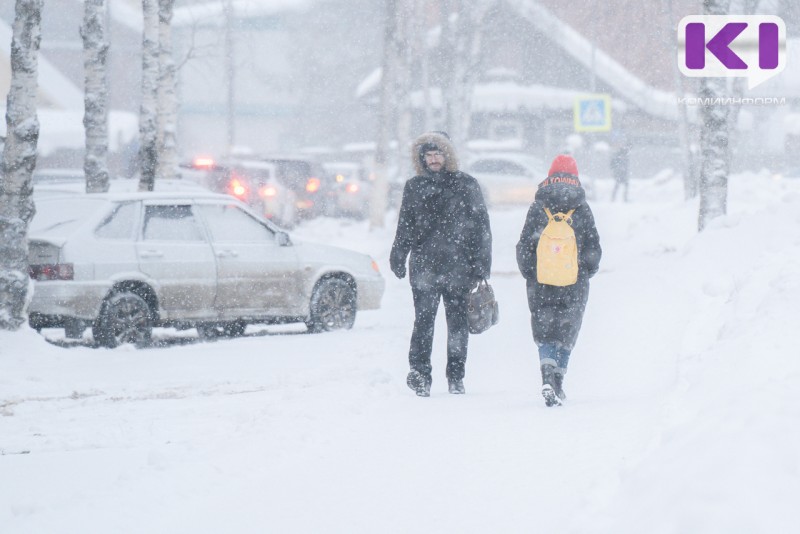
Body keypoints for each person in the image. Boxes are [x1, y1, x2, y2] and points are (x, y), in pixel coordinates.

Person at [390, 131, 492, 397]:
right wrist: (398, 254)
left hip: (460, 267)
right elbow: (406, 225)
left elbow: (481, 228)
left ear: (448, 155)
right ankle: (420, 375)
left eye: (438, 154)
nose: (433, 160)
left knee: (457, 324)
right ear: (421, 158)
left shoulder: (466, 184)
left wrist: (481, 265)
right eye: (428, 155)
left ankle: (456, 377)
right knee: (423, 322)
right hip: (424, 266)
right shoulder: (415, 186)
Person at [516, 154, 602, 407]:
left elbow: (524, 245)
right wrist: (586, 270)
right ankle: (559, 379)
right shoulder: (581, 207)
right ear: (575, 176)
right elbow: (593, 247)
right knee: (567, 327)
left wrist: (531, 271)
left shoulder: (538, 205)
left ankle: (546, 373)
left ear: (550, 174)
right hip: (574, 278)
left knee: (544, 327)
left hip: (541, 279)